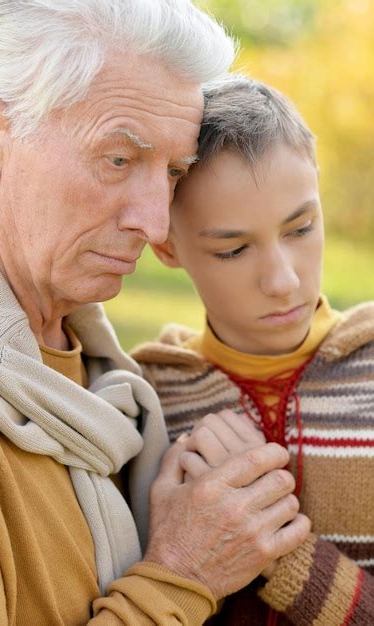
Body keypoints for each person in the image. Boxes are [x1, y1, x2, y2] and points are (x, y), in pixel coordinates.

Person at [0, 2, 311, 624]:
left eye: (173, 172)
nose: (152, 222)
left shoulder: (114, 374)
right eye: (119, 159)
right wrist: (182, 577)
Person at [132, 74, 374, 625]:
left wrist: (276, 544)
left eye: (301, 227)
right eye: (234, 249)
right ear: (166, 244)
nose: (283, 280)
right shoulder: (144, 397)